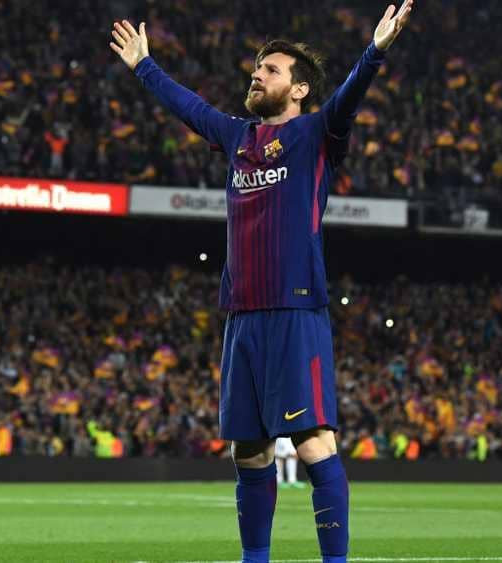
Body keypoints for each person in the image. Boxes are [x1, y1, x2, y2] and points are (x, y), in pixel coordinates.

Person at [110, 3, 416, 561]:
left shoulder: (316, 133)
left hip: (295, 311)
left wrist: (374, 52)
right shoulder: (238, 138)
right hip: (242, 317)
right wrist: (144, 67)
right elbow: (191, 107)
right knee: (248, 452)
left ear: (299, 90)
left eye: (270, 70)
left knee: (314, 443)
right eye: (256, 68)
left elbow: (348, 97)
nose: (257, 75)